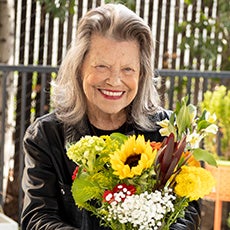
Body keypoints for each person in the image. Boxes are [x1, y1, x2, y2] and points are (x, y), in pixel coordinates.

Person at [21, 3, 201, 230]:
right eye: (102, 66)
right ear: (79, 67)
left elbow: (188, 212)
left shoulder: (169, 132)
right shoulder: (46, 136)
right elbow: (37, 218)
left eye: (128, 69)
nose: (115, 81)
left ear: (142, 74)